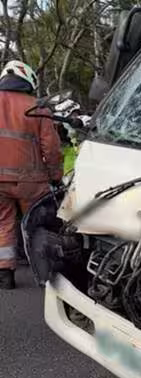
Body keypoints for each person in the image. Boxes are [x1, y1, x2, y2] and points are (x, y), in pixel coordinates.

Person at [0, 60, 62, 289]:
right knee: (36, 224)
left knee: (3, 223)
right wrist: (55, 176)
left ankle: (4, 273)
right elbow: (51, 148)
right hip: (31, 180)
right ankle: (45, 275)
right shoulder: (37, 107)